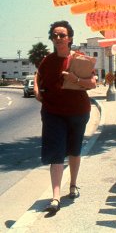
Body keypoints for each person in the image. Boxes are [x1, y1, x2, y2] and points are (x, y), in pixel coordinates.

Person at [34, 20, 97, 213]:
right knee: (56, 152)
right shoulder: (48, 60)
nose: (58, 38)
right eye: (55, 35)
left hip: (78, 112)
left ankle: (73, 185)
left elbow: (93, 83)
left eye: (62, 35)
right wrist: (37, 90)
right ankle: (55, 197)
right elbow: (38, 74)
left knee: (74, 151)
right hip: (53, 112)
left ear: (69, 38)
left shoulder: (80, 58)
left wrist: (75, 79)